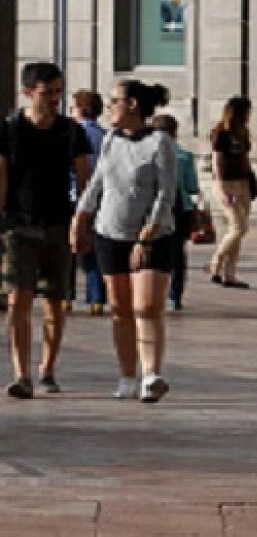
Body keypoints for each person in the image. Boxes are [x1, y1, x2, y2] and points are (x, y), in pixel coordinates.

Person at [72, 79, 178, 403]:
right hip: (110, 232)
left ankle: (152, 374)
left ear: (132, 105)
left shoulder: (160, 142)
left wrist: (149, 231)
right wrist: (81, 217)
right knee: (120, 309)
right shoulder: (111, 141)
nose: (109, 108)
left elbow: (166, 190)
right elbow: (97, 182)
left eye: (114, 101)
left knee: (146, 306)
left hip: (152, 235)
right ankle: (127, 375)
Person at [0, 63, 93, 399]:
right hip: (18, 225)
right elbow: (2, 175)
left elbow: (84, 177)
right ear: (28, 92)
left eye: (58, 91)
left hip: (59, 224)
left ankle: (47, 369)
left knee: (55, 301)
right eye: (47, 92)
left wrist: (82, 222)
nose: (55, 98)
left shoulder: (71, 131)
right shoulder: (10, 129)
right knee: (18, 298)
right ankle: (21, 373)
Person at [151, 115, 200, 312]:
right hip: (180, 208)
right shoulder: (185, 156)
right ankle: (175, 294)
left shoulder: (150, 154)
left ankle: (153, 291)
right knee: (178, 253)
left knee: (153, 251)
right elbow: (192, 186)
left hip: (155, 207)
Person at [207, 97, 255, 290]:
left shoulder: (243, 132)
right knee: (238, 227)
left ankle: (229, 274)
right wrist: (220, 186)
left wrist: (251, 182)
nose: (249, 115)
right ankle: (215, 262)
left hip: (243, 182)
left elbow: (245, 158)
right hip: (226, 183)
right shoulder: (221, 133)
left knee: (237, 230)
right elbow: (216, 161)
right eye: (247, 111)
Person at [72, 90, 108, 316]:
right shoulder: (106, 135)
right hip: (99, 197)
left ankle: (66, 294)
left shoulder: (75, 133)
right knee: (95, 249)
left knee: (70, 248)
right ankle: (96, 298)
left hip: (74, 194)